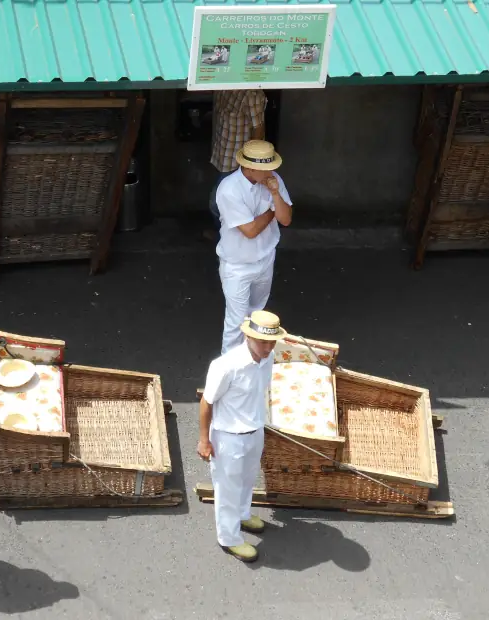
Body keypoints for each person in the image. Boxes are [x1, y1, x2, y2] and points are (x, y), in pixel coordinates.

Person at [198, 309, 285, 563]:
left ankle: (243, 515)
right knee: (228, 489)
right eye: (263, 342)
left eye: (272, 342)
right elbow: (206, 402)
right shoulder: (226, 366)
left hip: (254, 431)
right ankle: (229, 537)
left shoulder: (268, 358)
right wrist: (204, 440)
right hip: (229, 437)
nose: (268, 348)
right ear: (248, 337)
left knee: (247, 480)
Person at [215, 140, 293, 354]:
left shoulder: (274, 180)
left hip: (266, 258)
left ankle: (251, 362)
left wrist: (275, 195)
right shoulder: (229, 189)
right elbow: (250, 230)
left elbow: (286, 219)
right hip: (237, 265)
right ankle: (229, 370)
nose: (270, 172)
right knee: (236, 323)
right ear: (248, 168)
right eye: (265, 169)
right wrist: (272, 210)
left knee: (256, 316)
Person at [206, 89, 267, 241]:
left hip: (238, 163)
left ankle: (228, 236)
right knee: (223, 202)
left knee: (216, 203)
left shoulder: (251, 94)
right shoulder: (222, 85)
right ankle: (225, 234)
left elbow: (258, 131)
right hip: (223, 156)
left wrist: (251, 164)